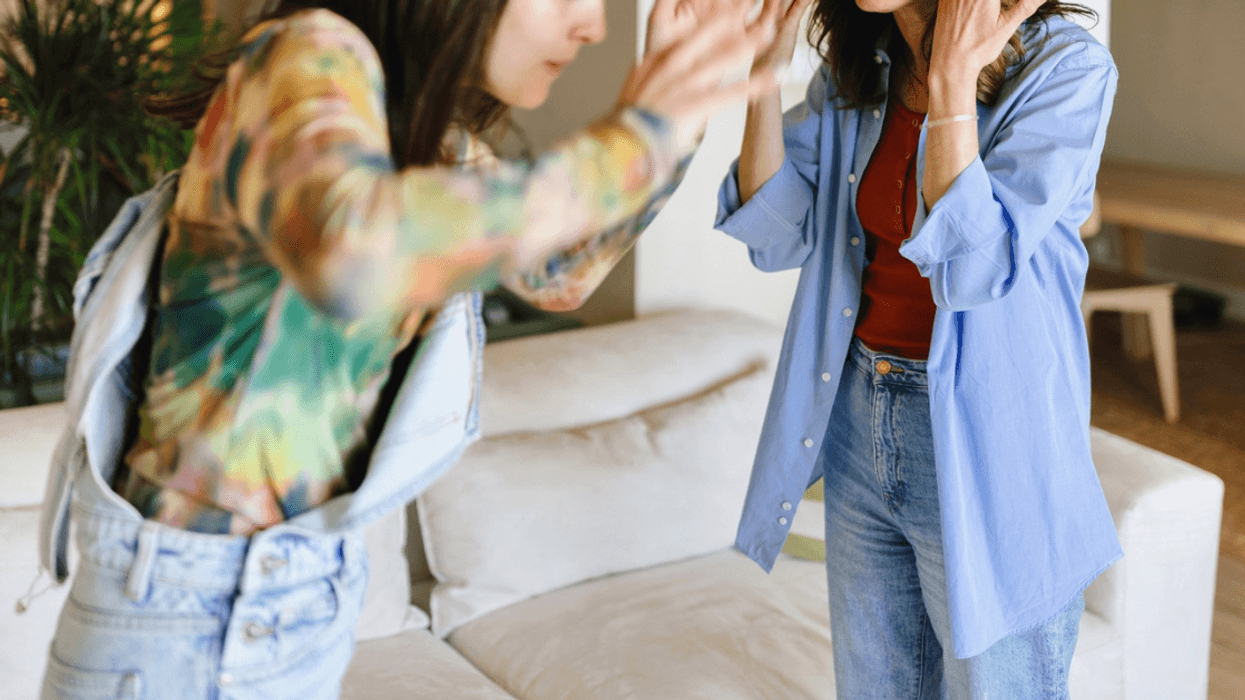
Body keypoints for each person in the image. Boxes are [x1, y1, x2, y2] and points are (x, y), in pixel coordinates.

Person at [35, 0, 781, 697]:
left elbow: (562, 273)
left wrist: (679, 107)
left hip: (295, 597)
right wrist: (632, 138)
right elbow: (355, 253)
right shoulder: (303, 55)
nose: (591, 24)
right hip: (188, 611)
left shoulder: (419, 138)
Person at [716, 0, 1121, 697]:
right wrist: (761, 74)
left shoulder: (1065, 69)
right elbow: (774, 232)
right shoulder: (863, 68)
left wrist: (952, 81)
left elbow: (973, 268)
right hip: (854, 421)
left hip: (989, 447)